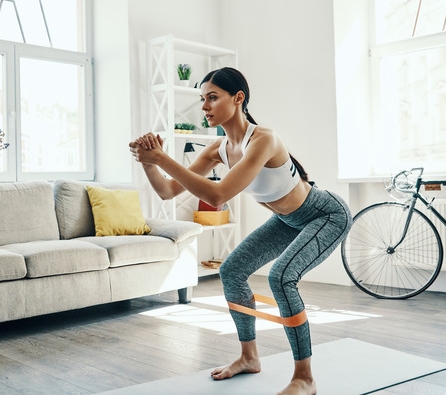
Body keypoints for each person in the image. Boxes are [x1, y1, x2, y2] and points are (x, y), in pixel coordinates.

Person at [129, 67, 352, 395]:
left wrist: (162, 156)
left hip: (325, 215)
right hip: (288, 220)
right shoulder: (217, 149)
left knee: (281, 278)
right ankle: (249, 357)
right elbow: (167, 192)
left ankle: (305, 378)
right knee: (232, 270)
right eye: (202, 99)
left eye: (212, 97)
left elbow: (217, 195)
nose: (204, 106)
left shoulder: (263, 139)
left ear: (238, 98)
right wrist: (149, 162)